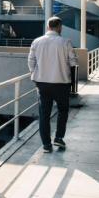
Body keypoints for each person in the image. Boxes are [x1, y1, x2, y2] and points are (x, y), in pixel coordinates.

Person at [27, 16, 78, 153]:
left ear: (47, 27)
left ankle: (46, 145)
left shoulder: (36, 42)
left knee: (44, 114)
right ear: (59, 27)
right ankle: (59, 138)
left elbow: (31, 62)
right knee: (63, 110)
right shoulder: (65, 42)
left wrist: (35, 75)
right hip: (61, 83)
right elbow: (73, 63)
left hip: (42, 83)